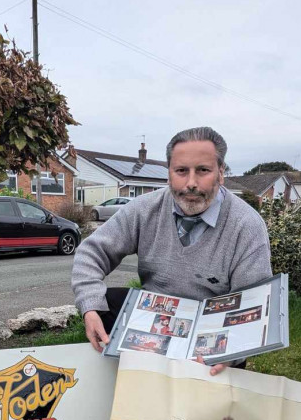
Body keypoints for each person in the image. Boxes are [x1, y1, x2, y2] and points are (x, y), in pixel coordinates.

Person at [71, 126, 272, 375]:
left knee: (208, 390)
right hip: (156, 315)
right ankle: (122, 372)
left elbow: (253, 304)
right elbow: (91, 252)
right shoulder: (144, 209)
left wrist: (231, 353)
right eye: (181, 171)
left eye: (203, 171)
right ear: (169, 174)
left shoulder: (247, 225)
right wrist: (90, 307)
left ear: (221, 173)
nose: (191, 183)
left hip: (213, 326)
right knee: (106, 301)